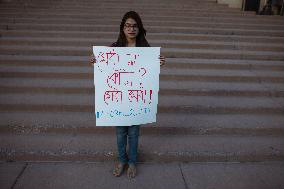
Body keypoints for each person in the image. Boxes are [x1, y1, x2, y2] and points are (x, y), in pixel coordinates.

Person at [90, 11, 165, 179]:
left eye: (135, 26)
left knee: (134, 133)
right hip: (119, 101)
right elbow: (104, 68)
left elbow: (150, 71)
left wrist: (159, 62)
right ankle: (122, 160)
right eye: (128, 25)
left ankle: (132, 162)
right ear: (122, 28)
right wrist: (96, 61)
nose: (131, 29)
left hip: (137, 100)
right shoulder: (115, 48)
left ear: (139, 28)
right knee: (120, 133)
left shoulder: (146, 50)